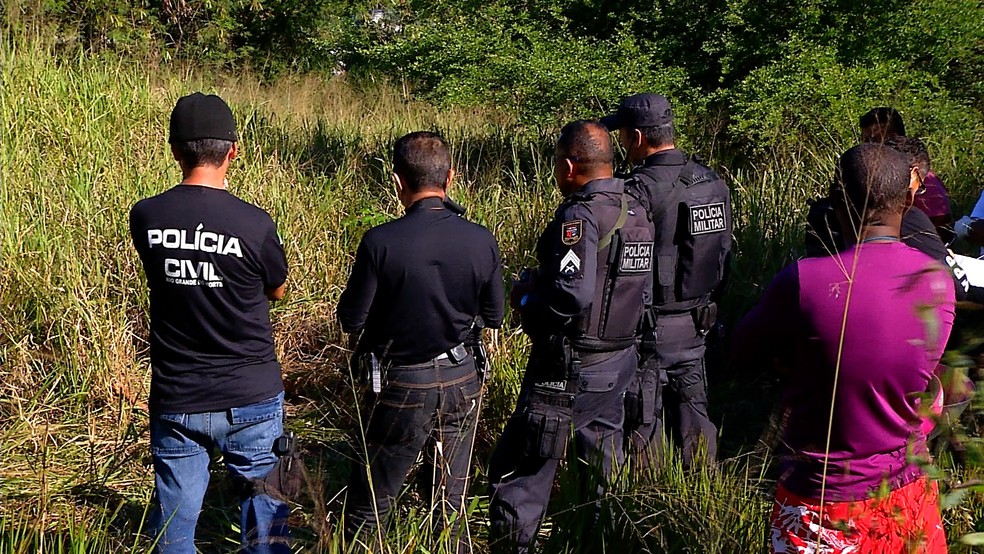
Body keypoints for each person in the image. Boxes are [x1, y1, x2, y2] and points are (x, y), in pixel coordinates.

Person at [733, 143, 954, 553]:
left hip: (823, 500)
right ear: (909, 199)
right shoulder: (938, 281)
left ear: (836, 202)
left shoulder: (803, 280)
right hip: (908, 492)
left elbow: (742, 351)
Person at [129, 92, 291, 553]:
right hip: (251, 392)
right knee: (266, 519)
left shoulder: (147, 216)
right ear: (233, 152)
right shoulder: (255, 224)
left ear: (174, 150)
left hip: (178, 393)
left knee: (174, 529)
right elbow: (276, 289)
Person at [487, 120, 655, 553]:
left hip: (569, 365)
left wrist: (526, 301)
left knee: (522, 468)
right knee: (602, 468)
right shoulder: (636, 207)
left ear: (568, 166)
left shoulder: (580, 215)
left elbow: (572, 293)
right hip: (619, 360)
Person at [336, 131, 504, 552]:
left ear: (397, 182)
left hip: (401, 382)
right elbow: (496, 315)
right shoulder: (480, 238)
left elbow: (351, 319)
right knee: (452, 502)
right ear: (451, 177)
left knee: (373, 499)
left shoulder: (380, 242)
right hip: (463, 375)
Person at [600, 93, 731, 468]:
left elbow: (621, 267)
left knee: (645, 426)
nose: (623, 145)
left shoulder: (635, 191)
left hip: (649, 330)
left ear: (638, 138)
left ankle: (651, 506)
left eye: (623, 136)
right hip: (697, 326)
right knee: (695, 417)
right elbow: (724, 258)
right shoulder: (711, 183)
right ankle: (703, 499)